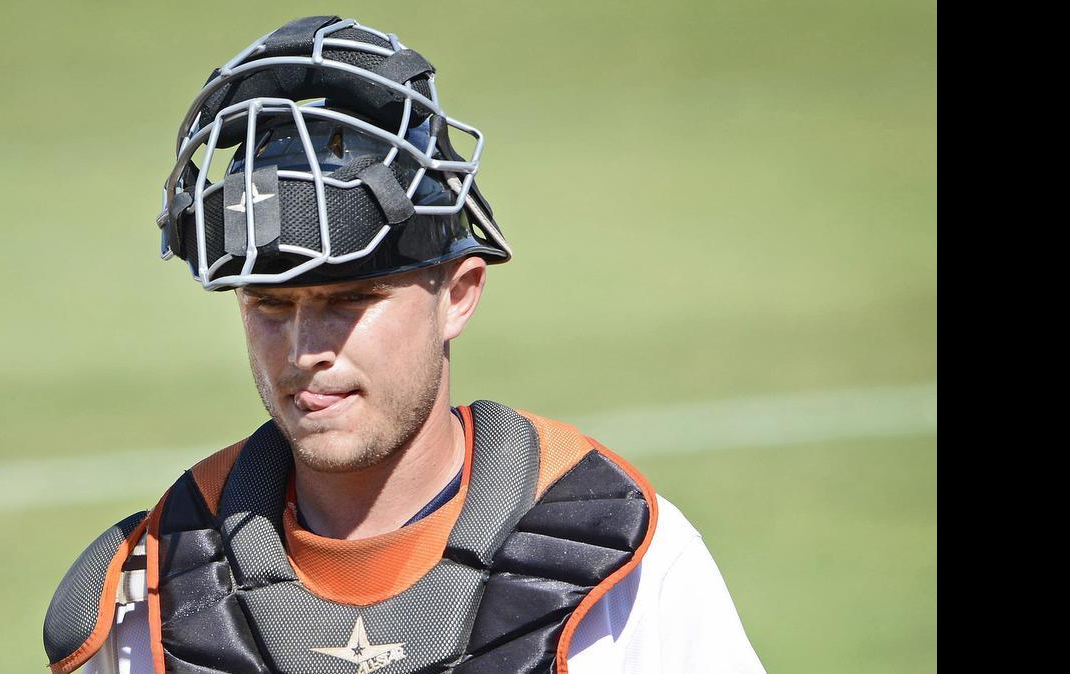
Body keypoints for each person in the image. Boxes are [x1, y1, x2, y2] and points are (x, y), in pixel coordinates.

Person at [43, 16, 767, 674]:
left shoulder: (620, 558)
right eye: (268, 304)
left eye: (349, 299)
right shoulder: (154, 593)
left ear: (457, 294)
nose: (303, 350)